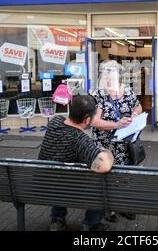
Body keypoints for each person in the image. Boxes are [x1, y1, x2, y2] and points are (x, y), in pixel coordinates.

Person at [38, 95, 114, 231]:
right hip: (72, 191)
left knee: (58, 176)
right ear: (87, 119)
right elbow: (104, 165)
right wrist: (106, 152)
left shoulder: (54, 122)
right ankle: (91, 223)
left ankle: (57, 219)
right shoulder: (80, 139)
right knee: (102, 183)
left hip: (45, 186)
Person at [90, 60, 142, 221]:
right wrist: (116, 124)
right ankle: (108, 210)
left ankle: (123, 206)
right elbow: (93, 122)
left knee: (125, 176)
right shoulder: (98, 95)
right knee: (106, 177)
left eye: (112, 74)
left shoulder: (127, 91)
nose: (109, 78)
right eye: (106, 74)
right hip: (105, 146)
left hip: (125, 145)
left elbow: (138, 107)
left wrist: (134, 117)